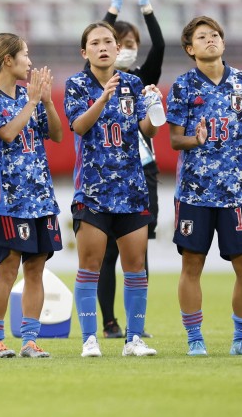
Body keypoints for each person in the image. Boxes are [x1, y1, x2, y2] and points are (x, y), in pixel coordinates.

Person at [166, 16, 242, 357]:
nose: (211, 40)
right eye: (202, 37)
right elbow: (175, 140)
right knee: (192, 265)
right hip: (194, 193)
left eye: (215, 34)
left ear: (224, 42)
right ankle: (195, 340)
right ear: (190, 49)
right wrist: (195, 139)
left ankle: (241, 339)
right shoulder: (183, 86)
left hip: (235, 193)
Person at [64, 21, 161, 357]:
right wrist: (103, 98)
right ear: (85, 51)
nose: (103, 47)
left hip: (132, 188)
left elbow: (146, 131)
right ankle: (89, 338)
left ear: (118, 49)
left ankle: (134, 338)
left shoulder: (133, 83)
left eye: (108, 41)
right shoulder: (76, 84)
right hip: (93, 190)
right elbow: (78, 126)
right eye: (95, 42)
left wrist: (154, 110)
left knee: (136, 266)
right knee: (90, 265)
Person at [0, 33, 63, 359]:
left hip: (41, 198)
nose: (30, 61)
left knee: (36, 271)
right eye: (25, 54)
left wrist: (48, 102)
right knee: (8, 271)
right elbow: (8, 134)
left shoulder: (32, 98)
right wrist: (32, 102)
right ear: (7, 60)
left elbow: (55, 135)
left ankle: (29, 340)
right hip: (9, 202)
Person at [97, 0, 166, 339]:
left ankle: (136, 323)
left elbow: (160, 47)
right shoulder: (93, 80)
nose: (126, 47)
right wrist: (112, 11)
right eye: (120, 42)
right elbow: (95, 41)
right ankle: (109, 322)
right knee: (106, 253)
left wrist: (147, 10)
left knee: (139, 251)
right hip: (106, 172)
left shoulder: (141, 79)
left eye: (130, 42)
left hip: (143, 170)